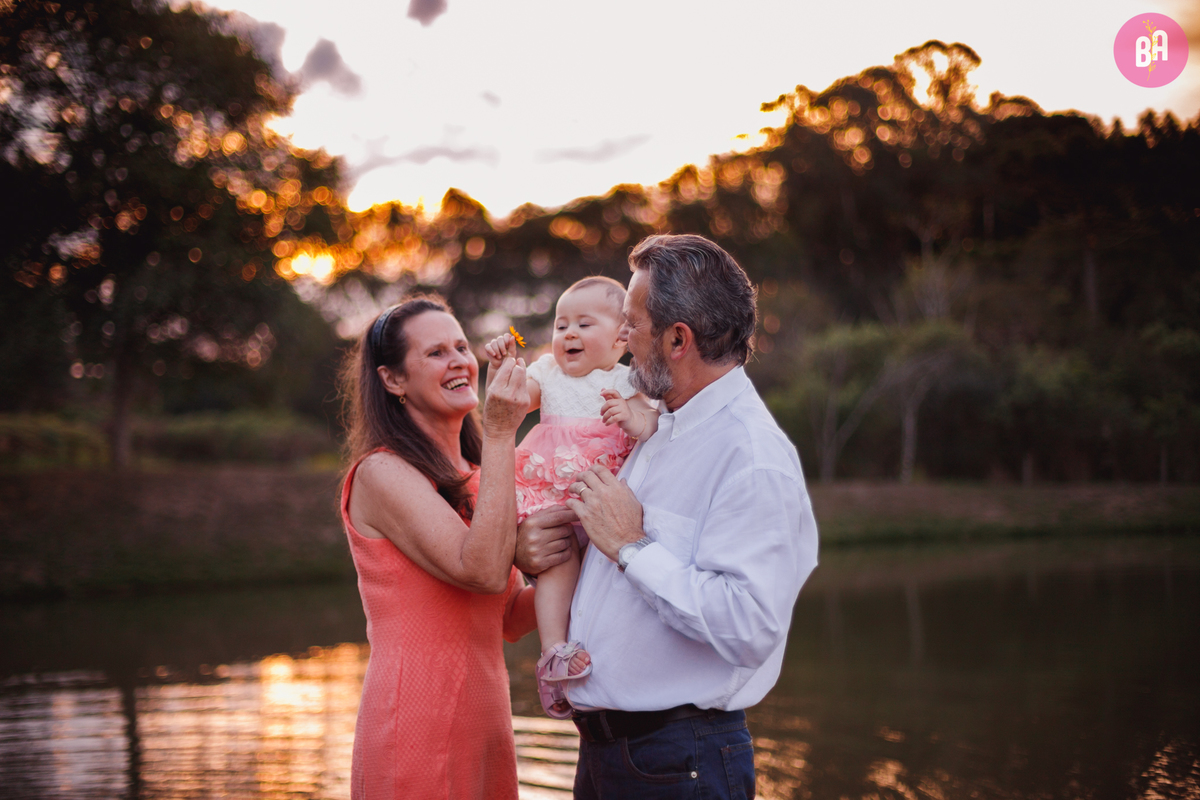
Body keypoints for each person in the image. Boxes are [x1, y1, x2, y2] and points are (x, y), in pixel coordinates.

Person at [562, 234, 820, 799]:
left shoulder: (750, 458)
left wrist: (631, 546)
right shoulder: (659, 428)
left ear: (678, 339)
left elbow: (748, 626)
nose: (621, 337)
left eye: (632, 323)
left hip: (679, 763)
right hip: (612, 754)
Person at [337, 294, 573, 800]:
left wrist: (580, 552)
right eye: (436, 353)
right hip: (414, 725)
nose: (460, 361)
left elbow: (507, 614)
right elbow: (483, 570)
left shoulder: (481, 476)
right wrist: (503, 429)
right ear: (392, 380)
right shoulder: (381, 473)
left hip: (487, 720)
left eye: (461, 346)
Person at [483, 277, 659, 719]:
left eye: (583, 323)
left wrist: (632, 418)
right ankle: (554, 653)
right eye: (561, 326)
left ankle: (610, 663)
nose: (569, 334)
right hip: (554, 499)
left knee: (608, 577)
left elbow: (652, 422)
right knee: (558, 564)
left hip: (605, 504)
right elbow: (517, 403)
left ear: (622, 336)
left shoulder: (629, 378)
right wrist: (505, 369)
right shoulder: (547, 372)